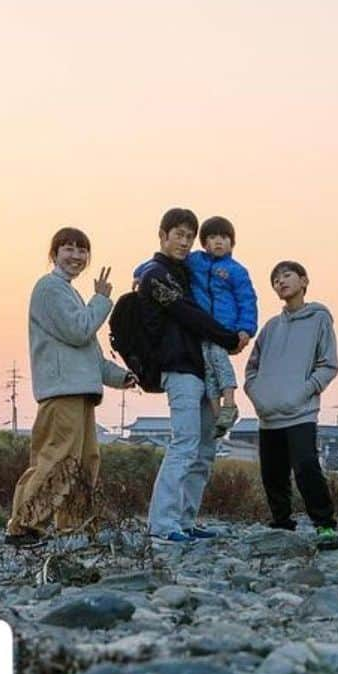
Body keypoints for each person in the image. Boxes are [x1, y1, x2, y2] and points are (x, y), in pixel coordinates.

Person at [4, 227, 135, 547]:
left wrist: (123, 377)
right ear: (54, 254)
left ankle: (74, 527)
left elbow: (90, 355)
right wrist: (102, 300)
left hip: (79, 391)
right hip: (61, 391)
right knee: (58, 459)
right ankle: (24, 525)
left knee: (85, 460)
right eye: (68, 249)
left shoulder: (68, 292)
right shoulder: (49, 288)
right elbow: (79, 331)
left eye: (82, 250)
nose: (76, 256)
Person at [140, 208, 247, 544]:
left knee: (204, 450)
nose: (184, 241)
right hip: (178, 367)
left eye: (189, 235)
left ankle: (185, 519)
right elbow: (188, 315)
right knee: (184, 444)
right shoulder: (156, 274)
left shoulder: (187, 270)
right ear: (162, 235)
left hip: (201, 368)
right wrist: (229, 337)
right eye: (178, 234)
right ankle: (162, 522)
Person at [244, 260, 338, 550]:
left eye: (286, 275)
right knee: (272, 474)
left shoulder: (319, 319)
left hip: (300, 412)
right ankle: (281, 525)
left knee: (306, 467)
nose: (280, 282)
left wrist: (303, 392)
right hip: (268, 414)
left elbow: (328, 365)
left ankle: (325, 526)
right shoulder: (271, 327)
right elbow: (252, 368)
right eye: (275, 279)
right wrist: (257, 394)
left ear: (303, 280)